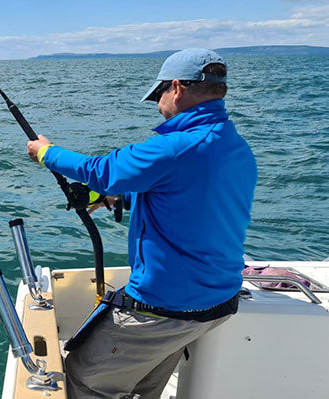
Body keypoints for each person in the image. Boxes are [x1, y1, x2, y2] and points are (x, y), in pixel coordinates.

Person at [26, 49, 257, 399]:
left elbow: (103, 172)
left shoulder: (175, 146)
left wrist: (46, 153)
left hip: (166, 307)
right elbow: (190, 196)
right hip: (217, 300)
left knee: (84, 377)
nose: (158, 104)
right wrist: (118, 199)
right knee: (143, 387)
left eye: (158, 93)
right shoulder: (233, 146)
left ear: (176, 88)